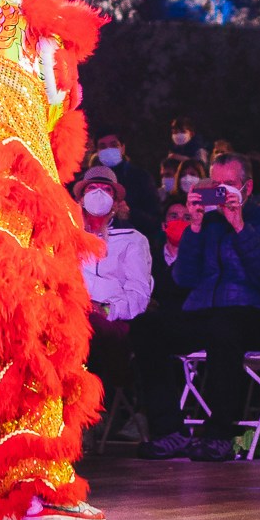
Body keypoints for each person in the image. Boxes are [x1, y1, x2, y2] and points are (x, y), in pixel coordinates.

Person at [163, 154, 260, 460]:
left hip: (255, 315)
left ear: (247, 187)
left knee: (225, 326)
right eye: (216, 185)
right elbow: (182, 278)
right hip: (206, 314)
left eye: (230, 185)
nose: (222, 192)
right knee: (148, 328)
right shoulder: (205, 224)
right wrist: (194, 228)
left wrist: (239, 226)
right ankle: (168, 430)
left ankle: (220, 432)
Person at [78, 166, 153, 453]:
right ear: (81, 198)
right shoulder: (67, 239)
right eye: (91, 189)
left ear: (117, 199)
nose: (98, 195)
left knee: (88, 331)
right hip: (72, 314)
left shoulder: (133, 240)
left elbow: (138, 296)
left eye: (106, 190)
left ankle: (87, 416)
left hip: (112, 320)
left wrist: (106, 308)